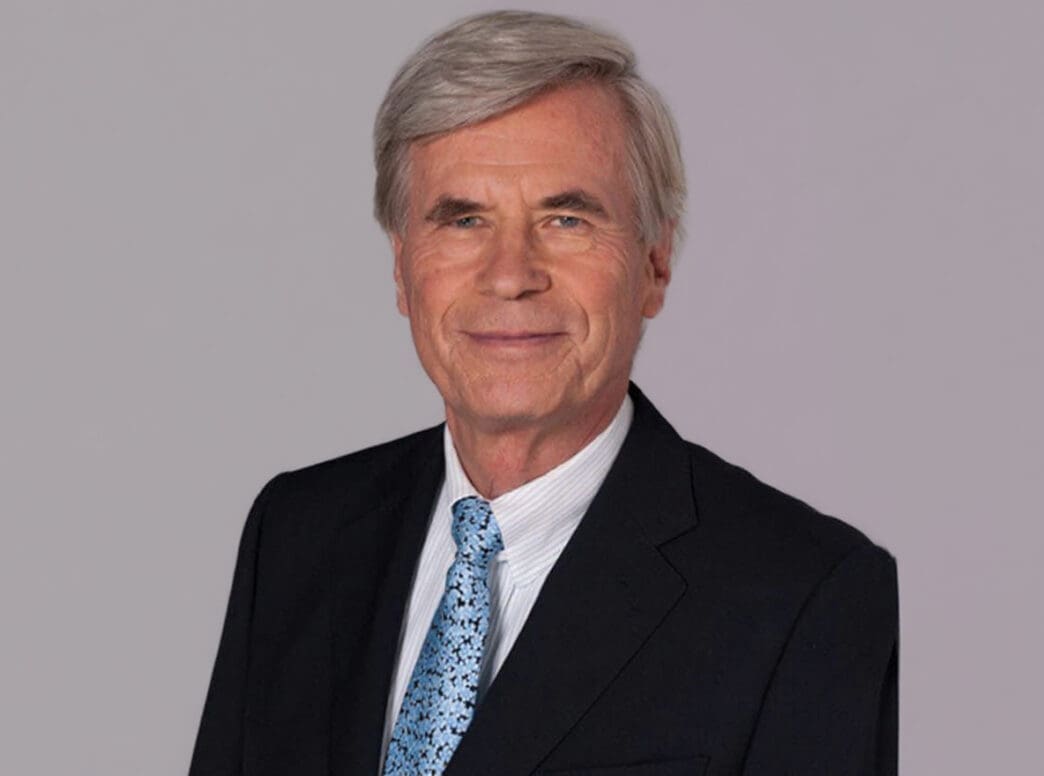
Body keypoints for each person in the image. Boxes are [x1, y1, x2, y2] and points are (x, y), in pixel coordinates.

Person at [189, 11, 898, 776]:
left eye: (566, 218)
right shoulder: (297, 535)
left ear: (654, 263)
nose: (509, 275)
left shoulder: (801, 595)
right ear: (402, 269)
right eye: (463, 220)